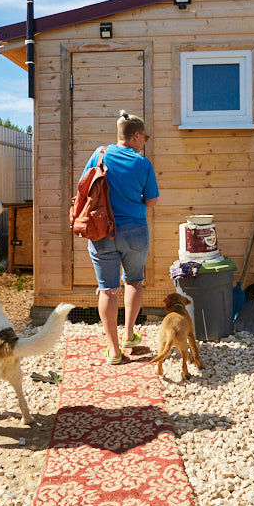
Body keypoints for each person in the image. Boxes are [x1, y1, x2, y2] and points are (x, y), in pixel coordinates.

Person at [82, 110, 159, 364]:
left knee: (108, 290)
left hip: (102, 231)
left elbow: (83, 186)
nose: (143, 143)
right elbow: (152, 202)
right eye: (144, 138)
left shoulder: (100, 154)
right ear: (136, 136)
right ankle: (128, 334)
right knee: (134, 282)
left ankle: (114, 350)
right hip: (135, 232)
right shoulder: (143, 164)